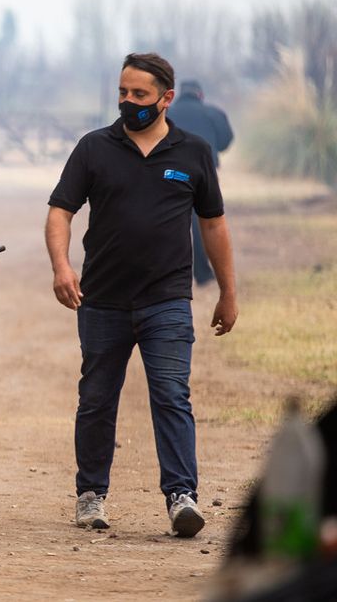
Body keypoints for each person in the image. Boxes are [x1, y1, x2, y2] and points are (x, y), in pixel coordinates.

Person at [45, 53, 238, 538]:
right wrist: (62, 266)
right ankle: (90, 495)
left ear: (166, 98)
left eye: (139, 95)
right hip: (102, 300)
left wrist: (228, 293)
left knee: (172, 395)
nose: (128, 102)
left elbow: (213, 224)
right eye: (123, 92)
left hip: (167, 300)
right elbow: (60, 211)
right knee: (96, 399)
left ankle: (181, 497)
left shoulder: (192, 153)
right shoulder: (94, 147)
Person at [169, 80, 234, 286]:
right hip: (203, 173)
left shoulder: (166, 113)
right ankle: (203, 273)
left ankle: (171, 273)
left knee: (171, 219)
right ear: (200, 94)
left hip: (171, 173)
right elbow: (226, 139)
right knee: (203, 221)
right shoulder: (213, 113)